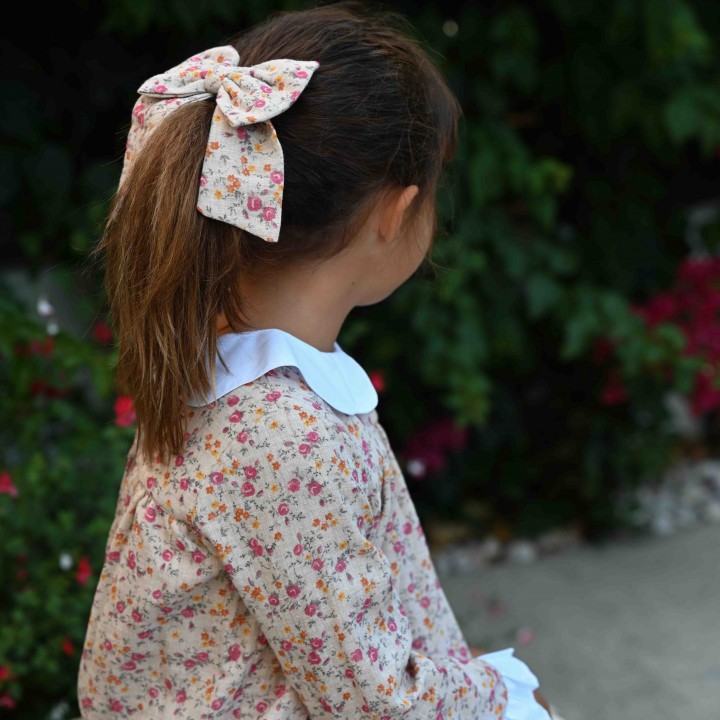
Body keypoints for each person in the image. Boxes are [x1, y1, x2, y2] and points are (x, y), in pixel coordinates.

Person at [77, 1, 558, 718]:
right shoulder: (280, 434)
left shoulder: (228, 373)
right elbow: (373, 701)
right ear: (396, 213)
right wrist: (504, 698)